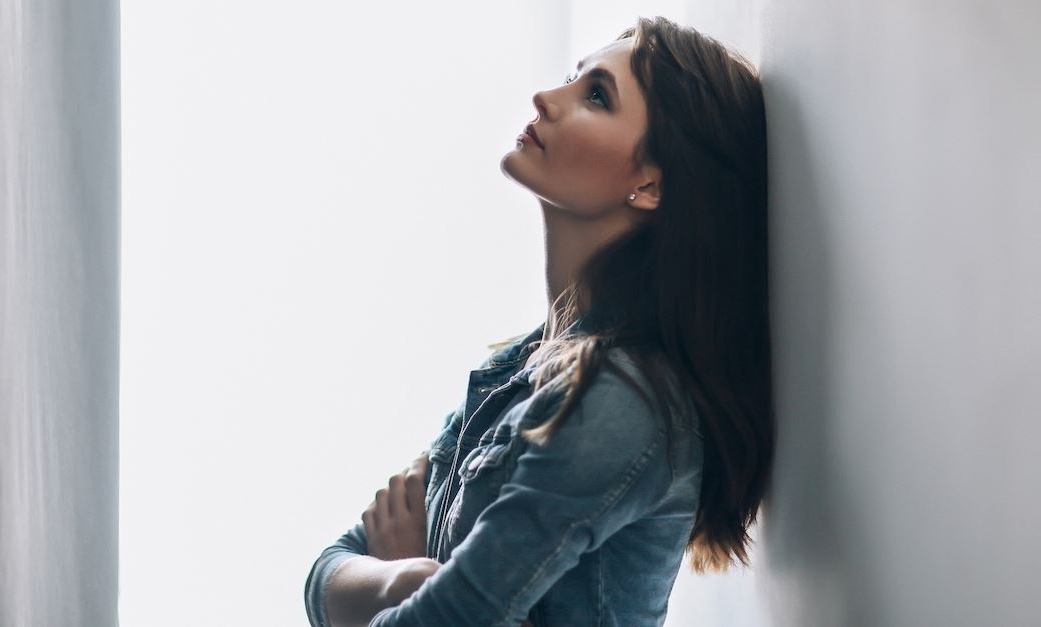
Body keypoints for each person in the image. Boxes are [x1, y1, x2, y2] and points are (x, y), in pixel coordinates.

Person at [304, 15, 773, 627]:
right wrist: (406, 576)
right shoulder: (518, 367)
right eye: (571, 78)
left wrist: (406, 583)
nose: (545, 99)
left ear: (650, 183)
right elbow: (325, 572)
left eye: (596, 96)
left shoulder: (622, 399)